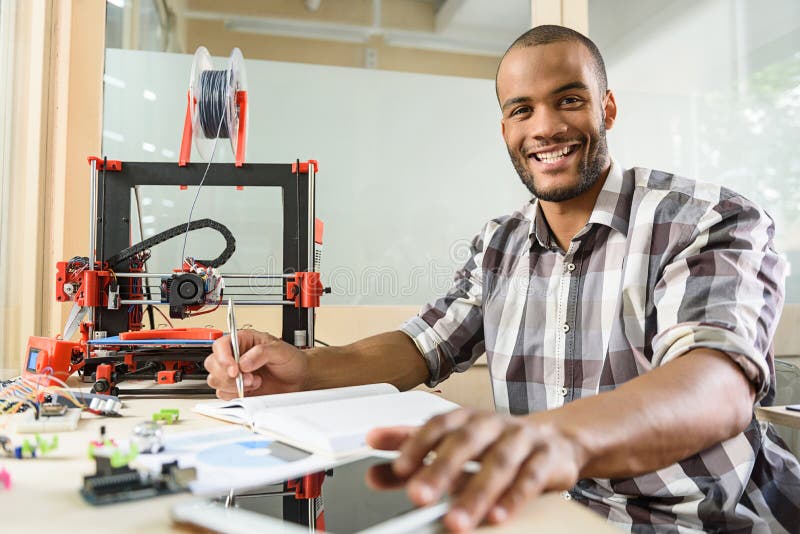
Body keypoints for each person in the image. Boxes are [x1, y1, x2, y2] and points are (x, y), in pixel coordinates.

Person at [205, 25, 800, 533]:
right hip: (552, 515)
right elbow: (422, 346)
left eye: (568, 100)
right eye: (522, 109)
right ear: (505, 128)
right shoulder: (501, 242)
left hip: (702, 520)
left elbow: (715, 387)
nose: (544, 127)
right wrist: (302, 367)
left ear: (606, 108)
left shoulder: (703, 219)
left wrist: (559, 439)